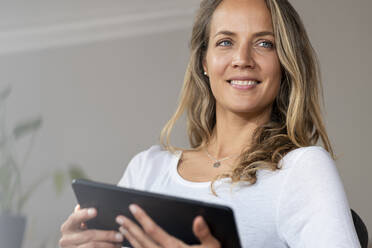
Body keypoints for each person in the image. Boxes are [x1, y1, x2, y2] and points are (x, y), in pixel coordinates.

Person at [59, 0, 361, 247]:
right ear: (204, 61)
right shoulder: (146, 169)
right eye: (226, 41)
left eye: (264, 43)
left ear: (284, 62)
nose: (242, 59)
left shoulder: (300, 170)